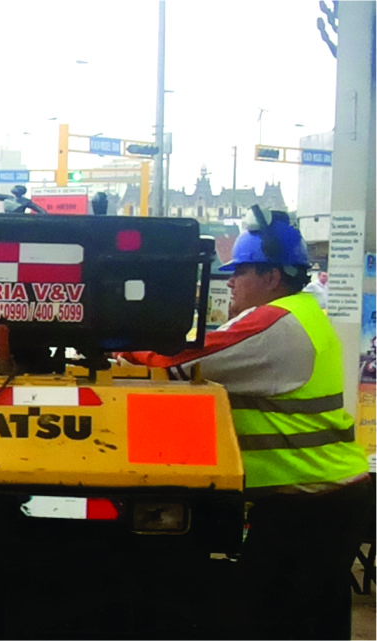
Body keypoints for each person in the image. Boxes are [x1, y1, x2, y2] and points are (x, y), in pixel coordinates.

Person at [118, 210, 369, 639]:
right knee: (316, 612)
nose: (231, 281)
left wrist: (120, 345)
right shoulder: (303, 314)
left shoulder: (275, 323)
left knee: (269, 616)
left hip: (306, 504)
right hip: (330, 494)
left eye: (242, 272)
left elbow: (181, 360)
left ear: (272, 277)